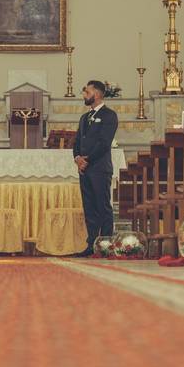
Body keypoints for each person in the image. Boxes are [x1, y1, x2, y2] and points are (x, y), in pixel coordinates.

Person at [73, 80, 119, 256]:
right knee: (89, 207)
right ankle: (91, 244)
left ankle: (106, 244)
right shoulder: (84, 117)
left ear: (97, 94)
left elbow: (104, 142)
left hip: (99, 168)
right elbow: (77, 141)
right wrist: (77, 158)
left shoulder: (109, 116)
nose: (84, 94)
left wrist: (88, 159)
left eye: (87, 91)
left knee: (102, 206)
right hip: (84, 169)